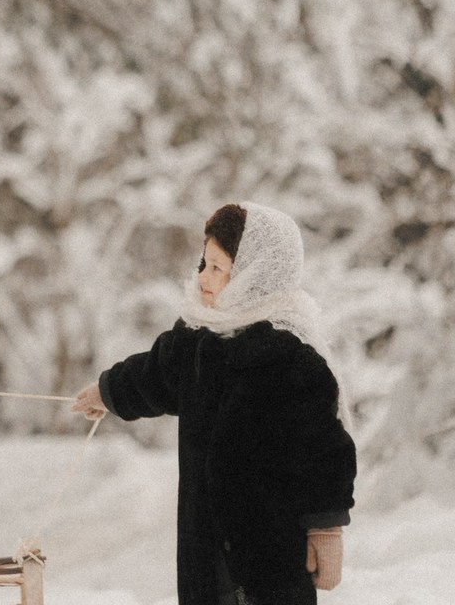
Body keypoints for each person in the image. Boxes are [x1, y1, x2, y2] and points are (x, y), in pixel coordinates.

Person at [71, 202, 356, 605]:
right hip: (204, 541)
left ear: (255, 275)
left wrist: (325, 529)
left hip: (270, 543)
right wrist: (110, 391)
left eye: (219, 269)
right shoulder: (198, 337)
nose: (203, 277)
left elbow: (323, 450)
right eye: (204, 264)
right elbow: (158, 375)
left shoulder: (289, 356)